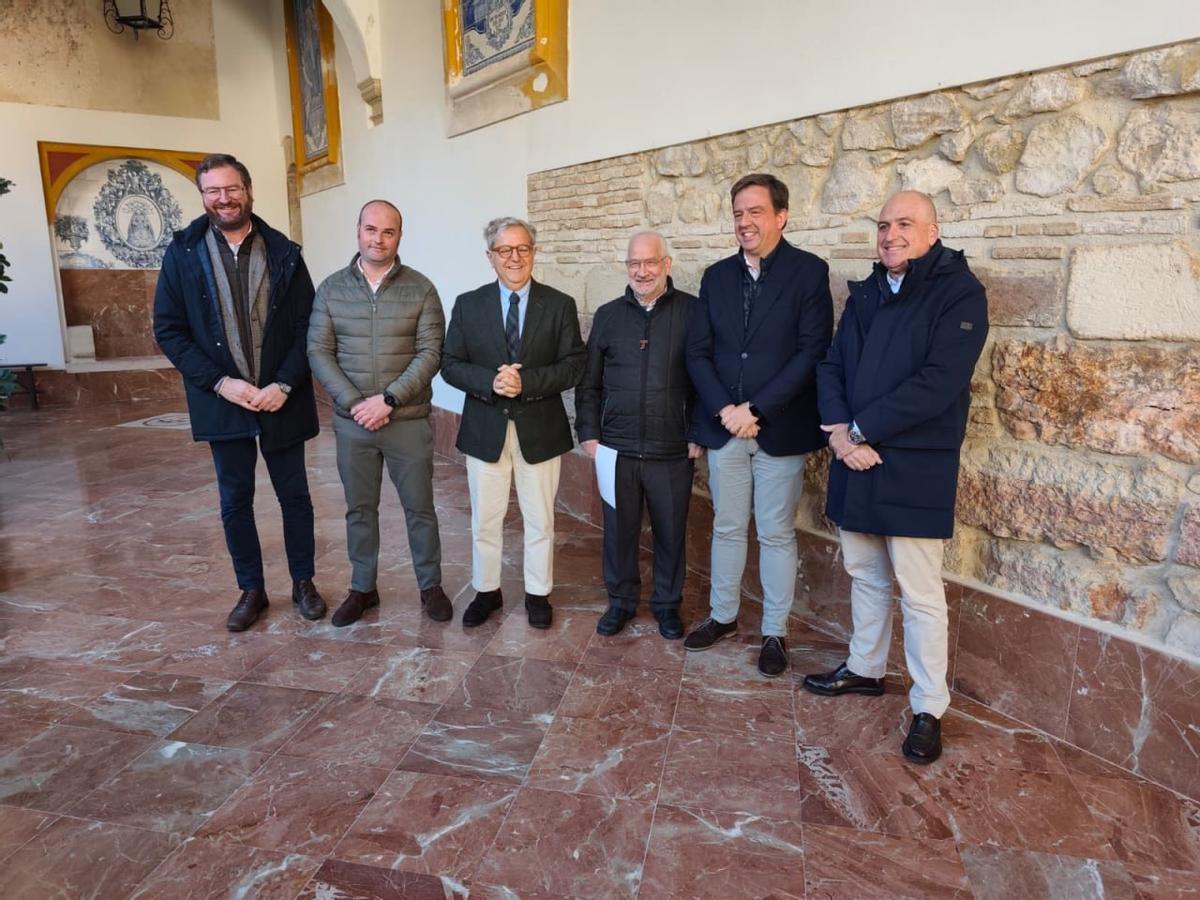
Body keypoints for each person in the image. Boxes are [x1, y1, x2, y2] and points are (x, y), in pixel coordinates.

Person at [803, 190, 988, 765]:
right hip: (854, 456)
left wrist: (860, 431)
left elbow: (940, 381)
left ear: (933, 231)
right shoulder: (867, 291)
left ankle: (929, 706)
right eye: (884, 225)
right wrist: (840, 435)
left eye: (905, 224)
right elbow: (831, 364)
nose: (890, 235)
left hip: (914, 462)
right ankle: (864, 667)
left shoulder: (960, 292)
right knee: (864, 572)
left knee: (920, 590)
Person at [153, 153, 326, 632]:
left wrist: (284, 383)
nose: (223, 198)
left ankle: (304, 583)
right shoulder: (182, 253)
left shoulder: (284, 251)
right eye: (213, 191)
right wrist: (220, 383)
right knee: (235, 502)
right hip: (222, 400)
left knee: (295, 498)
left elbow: (308, 326)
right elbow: (169, 330)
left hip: (280, 398)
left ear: (248, 191)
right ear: (202, 196)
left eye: (231, 189)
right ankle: (251, 590)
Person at [684, 172, 833, 677]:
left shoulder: (809, 272)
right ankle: (723, 616)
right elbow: (698, 353)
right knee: (727, 527)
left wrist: (757, 409)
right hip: (725, 428)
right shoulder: (715, 277)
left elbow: (812, 351)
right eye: (738, 213)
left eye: (755, 212)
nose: (744, 222)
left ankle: (775, 631)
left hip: (779, 429)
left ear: (781, 216)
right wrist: (726, 410)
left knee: (774, 533)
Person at [307, 200, 451, 627]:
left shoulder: (421, 289)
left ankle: (430, 585)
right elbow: (318, 351)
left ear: (399, 237)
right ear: (358, 232)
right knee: (359, 509)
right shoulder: (331, 289)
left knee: (420, 507)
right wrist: (356, 404)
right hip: (354, 423)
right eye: (371, 230)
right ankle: (363, 588)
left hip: (406, 420)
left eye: (388, 232)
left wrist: (388, 400)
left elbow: (430, 352)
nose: (378, 239)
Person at [441, 217, 586, 629]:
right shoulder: (468, 304)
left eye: (523, 248)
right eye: (504, 250)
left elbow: (574, 365)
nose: (514, 257)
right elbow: (450, 364)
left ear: (534, 252)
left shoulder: (559, 304)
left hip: (540, 428)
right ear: (490, 257)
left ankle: (538, 593)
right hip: (485, 428)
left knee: (540, 518)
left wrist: (526, 383)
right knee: (485, 519)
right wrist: (491, 382)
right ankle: (487, 590)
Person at [576, 231, 701, 640]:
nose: (642, 271)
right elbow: (588, 382)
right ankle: (621, 602)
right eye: (634, 263)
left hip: (672, 448)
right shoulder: (608, 316)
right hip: (617, 448)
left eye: (650, 262)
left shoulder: (693, 312)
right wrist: (589, 433)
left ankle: (667, 605)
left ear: (666, 264)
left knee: (671, 533)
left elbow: (706, 379)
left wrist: (698, 432)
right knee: (619, 532)